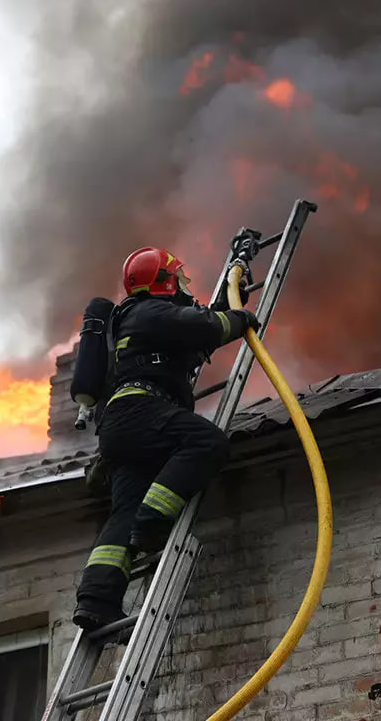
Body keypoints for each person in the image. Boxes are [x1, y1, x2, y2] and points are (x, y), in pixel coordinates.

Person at [72, 246, 260, 631]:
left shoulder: (139, 323)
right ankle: (153, 522)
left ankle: (95, 602)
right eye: (179, 278)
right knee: (206, 443)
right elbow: (207, 327)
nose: (183, 286)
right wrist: (241, 318)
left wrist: (232, 288)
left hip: (119, 429)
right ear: (164, 281)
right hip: (141, 409)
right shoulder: (149, 312)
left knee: (124, 511)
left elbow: (196, 330)